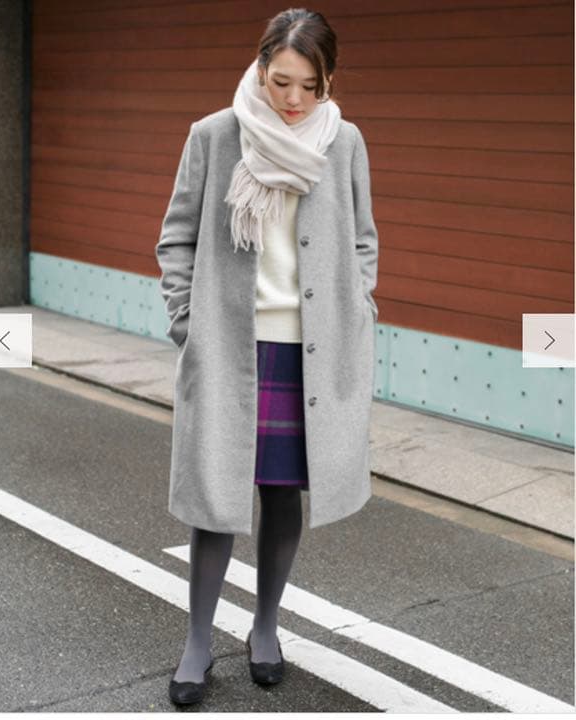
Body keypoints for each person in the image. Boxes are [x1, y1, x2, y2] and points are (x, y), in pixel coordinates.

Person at [155, 7, 379, 707]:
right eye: (281, 82)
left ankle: (265, 628)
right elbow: (176, 239)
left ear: (328, 80)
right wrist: (187, 324)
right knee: (215, 500)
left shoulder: (344, 143)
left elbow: (363, 240)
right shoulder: (215, 136)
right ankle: (197, 643)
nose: (293, 99)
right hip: (229, 348)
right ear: (260, 68)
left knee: (283, 495)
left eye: (310, 86)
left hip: (310, 352)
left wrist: (359, 309)